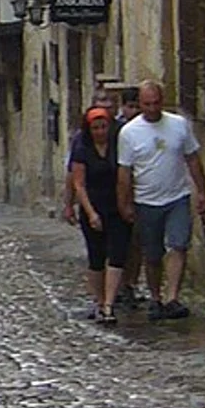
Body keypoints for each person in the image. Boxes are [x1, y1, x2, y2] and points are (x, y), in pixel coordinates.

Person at [117, 81, 205, 320]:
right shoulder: (129, 133)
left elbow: (192, 158)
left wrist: (201, 190)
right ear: (140, 103)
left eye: (156, 103)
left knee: (178, 244)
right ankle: (156, 296)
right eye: (147, 104)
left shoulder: (178, 125)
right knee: (153, 254)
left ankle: (172, 297)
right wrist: (125, 203)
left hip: (177, 196)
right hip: (146, 201)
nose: (152, 108)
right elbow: (124, 172)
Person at [68, 107, 133, 319]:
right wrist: (90, 212)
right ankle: (99, 300)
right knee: (96, 257)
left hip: (116, 206)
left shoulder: (118, 145)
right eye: (95, 128)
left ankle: (109, 304)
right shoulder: (83, 148)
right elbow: (79, 183)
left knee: (117, 253)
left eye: (103, 126)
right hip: (93, 207)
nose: (100, 131)